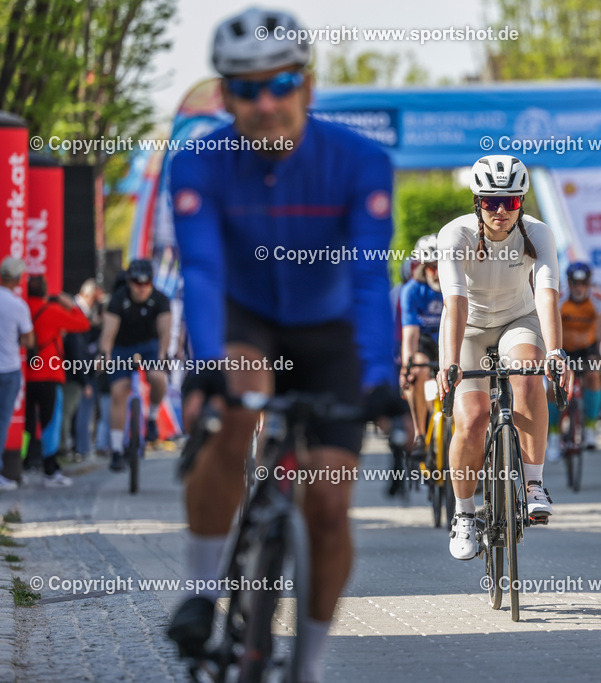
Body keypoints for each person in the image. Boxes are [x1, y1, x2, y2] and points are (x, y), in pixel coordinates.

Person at [165, 9, 402, 682]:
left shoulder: (361, 161)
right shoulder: (198, 162)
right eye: (246, 89)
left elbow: (369, 277)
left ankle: (309, 663)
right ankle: (202, 591)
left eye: (282, 83)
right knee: (237, 409)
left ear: (308, 85)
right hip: (246, 318)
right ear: (224, 96)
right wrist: (207, 366)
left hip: (330, 330)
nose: (265, 102)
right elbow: (202, 270)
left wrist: (380, 376)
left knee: (327, 506)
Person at [436, 154, 570, 560]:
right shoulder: (455, 235)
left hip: (518, 319)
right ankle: (464, 513)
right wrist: (450, 363)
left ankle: (533, 483)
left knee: (528, 374)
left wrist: (556, 352)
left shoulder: (538, 233)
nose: (500, 211)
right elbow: (455, 303)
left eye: (509, 202)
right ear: (477, 202)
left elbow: (546, 294)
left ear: (521, 203)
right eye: (491, 202)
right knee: (473, 417)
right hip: (468, 327)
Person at [98, 259, 171, 471]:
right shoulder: (119, 299)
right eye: (137, 282)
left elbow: (165, 331)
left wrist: (162, 355)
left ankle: (152, 418)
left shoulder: (160, 299)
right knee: (119, 392)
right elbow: (108, 334)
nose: (142, 287)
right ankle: (117, 450)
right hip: (122, 347)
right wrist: (104, 355)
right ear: (129, 281)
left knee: (158, 377)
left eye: (146, 282)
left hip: (149, 345)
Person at [23, 274, 90, 486]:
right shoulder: (52, 311)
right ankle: (50, 470)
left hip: (24, 374)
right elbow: (83, 324)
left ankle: (22, 464)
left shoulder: (22, 308)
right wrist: (70, 304)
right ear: (45, 291)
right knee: (50, 422)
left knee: (26, 423)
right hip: (49, 374)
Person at [548, 261, 601, 459]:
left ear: (589, 283)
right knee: (553, 387)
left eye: (584, 283)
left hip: (588, 350)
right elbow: (552, 326)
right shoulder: (560, 299)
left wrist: (600, 356)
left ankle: (589, 427)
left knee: (594, 377)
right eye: (575, 283)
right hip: (564, 349)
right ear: (569, 282)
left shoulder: (598, 299)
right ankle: (554, 435)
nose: (579, 288)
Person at [400, 234, 443, 461]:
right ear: (423, 268)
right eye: (431, 267)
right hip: (425, 343)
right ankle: (419, 435)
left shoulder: (457, 285)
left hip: (449, 341)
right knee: (417, 369)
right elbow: (410, 334)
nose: (437, 273)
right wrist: (406, 367)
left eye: (441, 267)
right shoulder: (412, 290)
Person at [0, 257, 33, 491]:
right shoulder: (18, 305)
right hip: (9, 368)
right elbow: (29, 340)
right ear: (17, 279)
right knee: (2, 422)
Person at [61, 279, 100, 460]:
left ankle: (70, 448)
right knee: (69, 414)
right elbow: (77, 352)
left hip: (71, 373)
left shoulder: (78, 317)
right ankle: (66, 450)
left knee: (71, 414)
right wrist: (85, 380)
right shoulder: (76, 317)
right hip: (72, 374)